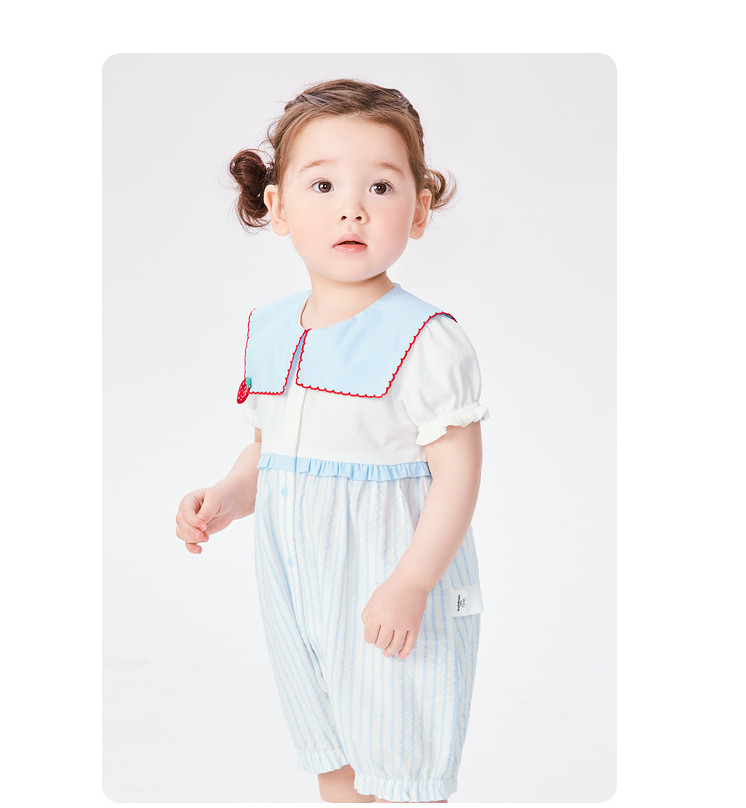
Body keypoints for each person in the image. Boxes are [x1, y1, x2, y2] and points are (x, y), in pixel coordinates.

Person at [175, 78, 489, 803]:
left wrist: (411, 583)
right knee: (334, 754)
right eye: (322, 185)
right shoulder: (271, 328)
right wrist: (227, 497)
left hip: (389, 577)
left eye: (381, 186)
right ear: (279, 207)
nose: (352, 207)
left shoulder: (426, 340)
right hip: (296, 583)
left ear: (418, 210)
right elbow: (272, 451)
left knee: (401, 754)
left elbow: (459, 476)